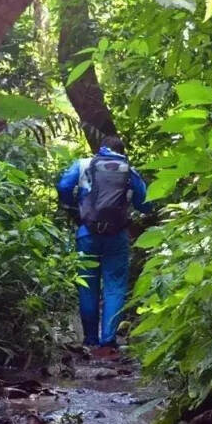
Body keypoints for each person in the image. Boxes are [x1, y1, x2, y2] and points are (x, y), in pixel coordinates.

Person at [56, 135, 151, 351]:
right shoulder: (129, 170)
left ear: (101, 149)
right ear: (122, 151)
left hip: (87, 233)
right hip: (117, 236)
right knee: (114, 287)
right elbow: (146, 203)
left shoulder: (83, 165)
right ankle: (108, 341)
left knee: (87, 285)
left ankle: (90, 339)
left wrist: (75, 207)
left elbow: (63, 187)